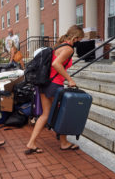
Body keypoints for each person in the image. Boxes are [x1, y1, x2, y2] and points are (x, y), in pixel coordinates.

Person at [25, 25, 84, 154]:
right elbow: (56, 64)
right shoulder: (68, 49)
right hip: (55, 85)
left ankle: (31, 143)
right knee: (63, 113)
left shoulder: (59, 45)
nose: (79, 41)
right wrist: (70, 79)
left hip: (44, 83)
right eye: (79, 39)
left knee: (45, 114)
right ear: (76, 37)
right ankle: (63, 143)